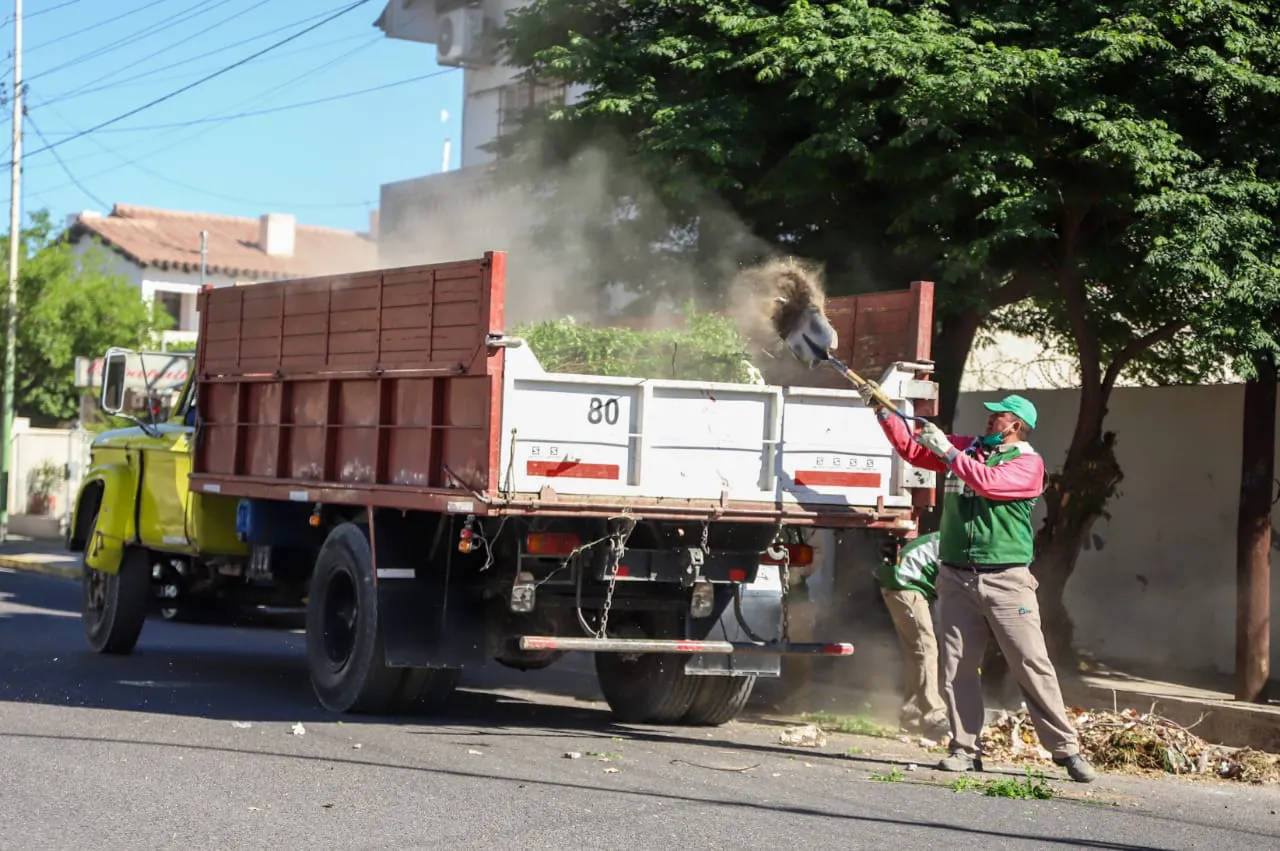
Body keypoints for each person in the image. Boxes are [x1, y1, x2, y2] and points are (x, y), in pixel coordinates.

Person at [859, 386, 1097, 784]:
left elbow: (988, 483)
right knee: (957, 666)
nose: (989, 419)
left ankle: (1066, 749)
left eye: (998, 416)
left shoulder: (1027, 463)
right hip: (955, 575)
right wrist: (884, 411)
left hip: (1007, 580)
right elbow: (914, 450)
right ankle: (964, 748)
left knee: (1030, 662)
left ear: (1015, 426)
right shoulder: (969, 450)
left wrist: (949, 452)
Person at [874, 530, 948, 740]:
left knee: (917, 654)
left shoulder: (959, 535)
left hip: (907, 583)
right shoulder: (961, 542)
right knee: (925, 649)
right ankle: (934, 718)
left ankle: (912, 718)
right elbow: (953, 584)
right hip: (905, 584)